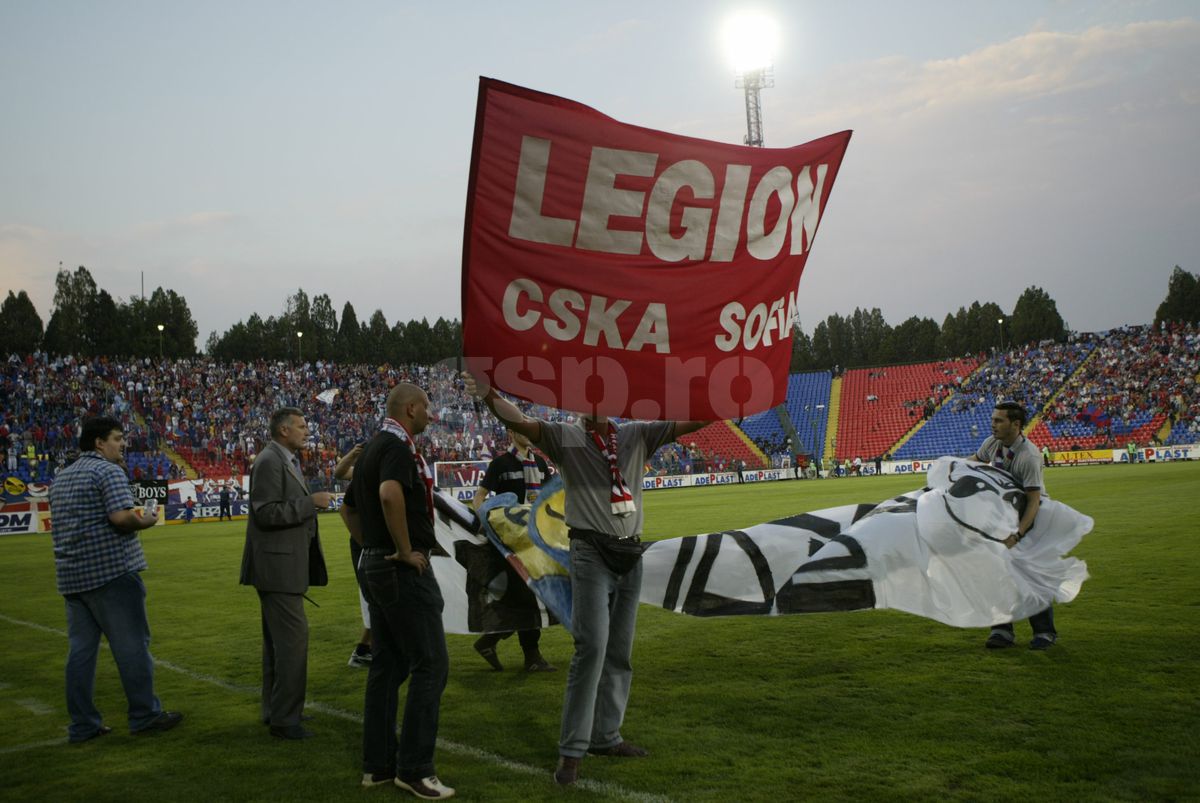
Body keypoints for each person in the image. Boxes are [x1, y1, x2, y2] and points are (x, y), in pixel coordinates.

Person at [464, 371, 706, 787]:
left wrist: (723, 396)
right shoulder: (565, 437)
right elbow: (519, 421)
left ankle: (606, 736)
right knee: (591, 647)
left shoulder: (635, 435)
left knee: (619, 651)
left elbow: (694, 420)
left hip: (631, 552)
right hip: (590, 551)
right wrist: (488, 395)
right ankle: (571, 751)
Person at [341, 384, 454, 799]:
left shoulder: (372, 446)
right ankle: (415, 769)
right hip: (400, 570)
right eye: (427, 406)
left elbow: (347, 506)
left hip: (374, 564)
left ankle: (379, 766)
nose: (431, 413)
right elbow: (390, 494)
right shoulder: (397, 449)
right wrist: (403, 551)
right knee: (431, 665)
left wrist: (371, 545)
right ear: (410, 408)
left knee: (387, 664)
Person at [49, 416, 183, 742]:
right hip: (111, 574)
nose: (123, 444)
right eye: (118, 438)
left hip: (72, 578)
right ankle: (144, 716)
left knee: (80, 653)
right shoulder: (107, 470)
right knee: (133, 648)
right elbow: (121, 518)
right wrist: (146, 520)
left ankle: (82, 725)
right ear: (99, 442)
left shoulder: (61, 478)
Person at [239, 407, 332, 739]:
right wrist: (312, 503)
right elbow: (264, 513)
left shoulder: (285, 459)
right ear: (283, 431)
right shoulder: (269, 461)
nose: (307, 431)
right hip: (277, 568)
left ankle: (275, 711)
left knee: (278, 646)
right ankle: (285, 720)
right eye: (302, 426)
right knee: (292, 644)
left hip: (282, 566)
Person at [470, 430, 555, 673]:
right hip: (510, 543)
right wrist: (484, 518)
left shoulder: (539, 463)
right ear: (510, 432)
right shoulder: (500, 464)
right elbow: (480, 496)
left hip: (534, 540)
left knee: (520, 598)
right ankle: (532, 656)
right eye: (521, 429)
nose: (528, 435)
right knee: (526, 597)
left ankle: (489, 642)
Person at [974, 401, 1056, 650]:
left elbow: (1034, 501)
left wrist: (1018, 534)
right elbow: (974, 464)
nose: (993, 424)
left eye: (999, 420)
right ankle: (1001, 630)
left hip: (1030, 519)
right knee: (996, 574)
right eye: (993, 419)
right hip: (1002, 517)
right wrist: (949, 468)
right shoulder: (992, 443)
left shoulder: (1028, 456)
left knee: (1030, 576)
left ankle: (1044, 632)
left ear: (1016, 425)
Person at [335, 442, 373, 669]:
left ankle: (366, 650)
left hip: (369, 542)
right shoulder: (365, 476)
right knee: (376, 599)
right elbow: (339, 473)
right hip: (365, 543)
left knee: (379, 599)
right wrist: (353, 453)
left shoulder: (372, 474)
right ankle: (365, 651)